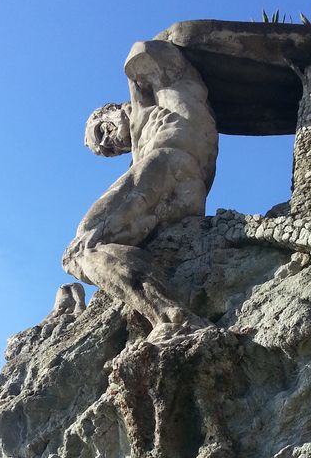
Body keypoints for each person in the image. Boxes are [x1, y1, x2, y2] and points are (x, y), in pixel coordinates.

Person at [63, 39, 218, 342]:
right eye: (105, 149)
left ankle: (171, 316)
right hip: (189, 192)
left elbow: (146, 51)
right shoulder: (143, 139)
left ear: (113, 109)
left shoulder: (156, 100)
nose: (108, 142)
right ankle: (166, 310)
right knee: (91, 252)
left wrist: (134, 78)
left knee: (80, 248)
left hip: (169, 160)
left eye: (102, 130)